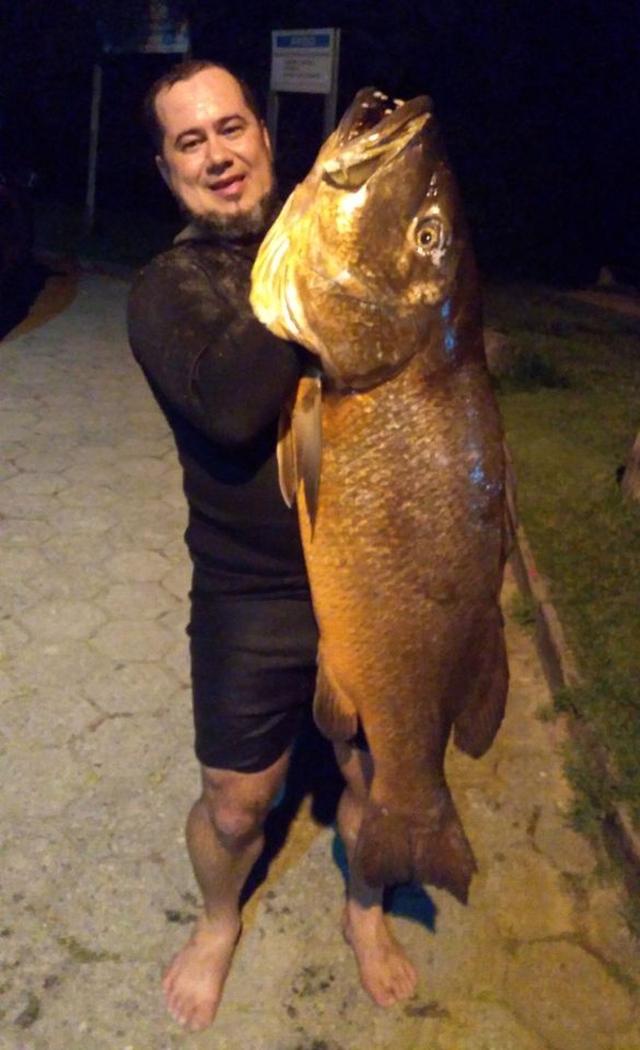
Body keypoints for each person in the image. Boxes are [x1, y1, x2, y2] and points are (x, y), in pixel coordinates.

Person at [127, 59, 418, 1032]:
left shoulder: (342, 248)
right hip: (252, 592)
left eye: (230, 128)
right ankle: (219, 921)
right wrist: (319, 256)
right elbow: (232, 404)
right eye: (189, 141)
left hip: (372, 575)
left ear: (264, 135)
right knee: (235, 803)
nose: (216, 154)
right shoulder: (169, 287)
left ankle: (364, 907)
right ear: (167, 169)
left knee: (380, 779)